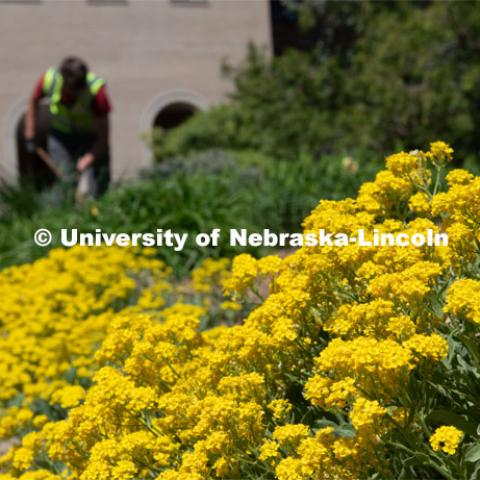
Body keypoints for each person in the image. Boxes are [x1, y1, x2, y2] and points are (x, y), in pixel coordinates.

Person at [24, 56, 112, 202]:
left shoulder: (97, 93)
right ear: (64, 82)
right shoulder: (49, 80)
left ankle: (95, 211)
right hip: (60, 137)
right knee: (65, 181)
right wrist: (30, 132)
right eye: (72, 90)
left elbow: (104, 137)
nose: (75, 94)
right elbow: (33, 101)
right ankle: (65, 214)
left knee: (95, 184)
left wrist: (88, 159)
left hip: (89, 138)